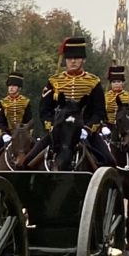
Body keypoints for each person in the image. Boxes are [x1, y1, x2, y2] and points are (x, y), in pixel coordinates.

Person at [35, 35, 112, 163]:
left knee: (110, 161)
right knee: (27, 161)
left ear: (83, 60)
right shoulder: (54, 81)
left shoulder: (93, 82)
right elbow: (44, 109)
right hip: (58, 131)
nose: (73, 61)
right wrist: (51, 126)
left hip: (85, 131)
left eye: (76, 58)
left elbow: (99, 112)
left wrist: (88, 129)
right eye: (69, 58)